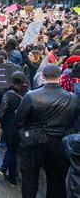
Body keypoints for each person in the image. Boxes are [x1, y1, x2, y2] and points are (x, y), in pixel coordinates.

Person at [16, 64, 80, 198]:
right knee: (57, 181)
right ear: (59, 77)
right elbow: (76, 123)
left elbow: (19, 118)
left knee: (30, 180)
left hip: (34, 142)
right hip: (58, 144)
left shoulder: (31, 96)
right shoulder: (72, 98)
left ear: (43, 76)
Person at [0, 71, 29, 186]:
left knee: (12, 151)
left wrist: (3, 124)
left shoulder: (9, 94)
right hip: (23, 127)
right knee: (14, 150)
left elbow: (1, 113)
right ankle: (4, 168)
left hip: (10, 126)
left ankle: (12, 178)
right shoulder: (29, 93)